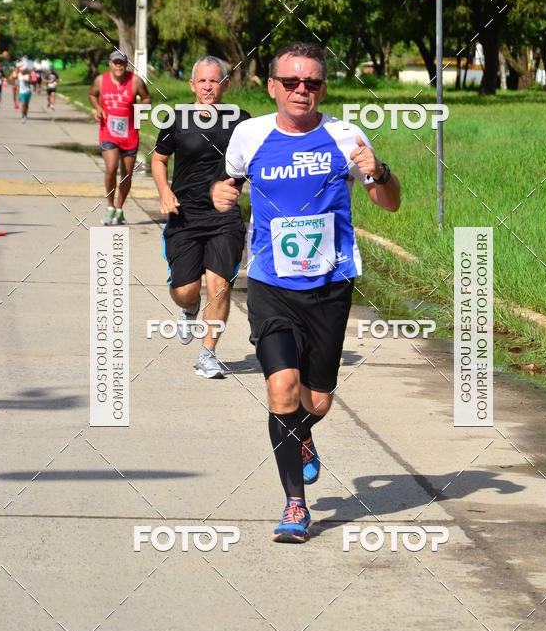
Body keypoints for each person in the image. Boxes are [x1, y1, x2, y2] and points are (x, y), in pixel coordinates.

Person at [218, 41, 401, 543]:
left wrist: (380, 171)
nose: (302, 90)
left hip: (330, 284)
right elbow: (228, 184)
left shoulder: (345, 137)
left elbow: (389, 203)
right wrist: (220, 195)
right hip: (271, 283)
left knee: (316, 401)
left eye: (313, 82)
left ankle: (302, 434)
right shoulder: (249, 135)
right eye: (291, 81)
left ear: (323, 87)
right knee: (282, 387)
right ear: (272, 86)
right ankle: (295, 505)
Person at [152, 56, 251, 379]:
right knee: (186, 290)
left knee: (219, 285)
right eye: (203, 81)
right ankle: (189, 307)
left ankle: (208, 354)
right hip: (184, 215)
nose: (209, 87)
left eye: (215, 81)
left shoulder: (241, 122)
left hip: (224, 217)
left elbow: (256, 161)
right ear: (192, 84)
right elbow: (159, 159)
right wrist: (164, 191)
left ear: (225, 84)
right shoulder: (176, 119)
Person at [89, 51, 151, 225]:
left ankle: (119, 208)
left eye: (121, 63)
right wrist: (98, 108)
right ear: (110, 63)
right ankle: (110, 206)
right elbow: (92, 94)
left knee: (127, 174)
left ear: (126, 64)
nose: (118, 66)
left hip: (130, 133)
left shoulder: (135, 81)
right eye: (115, 62)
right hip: (108, 132)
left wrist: (140, 108)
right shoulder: (101, 80)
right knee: (111, 167)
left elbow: (147, 98)